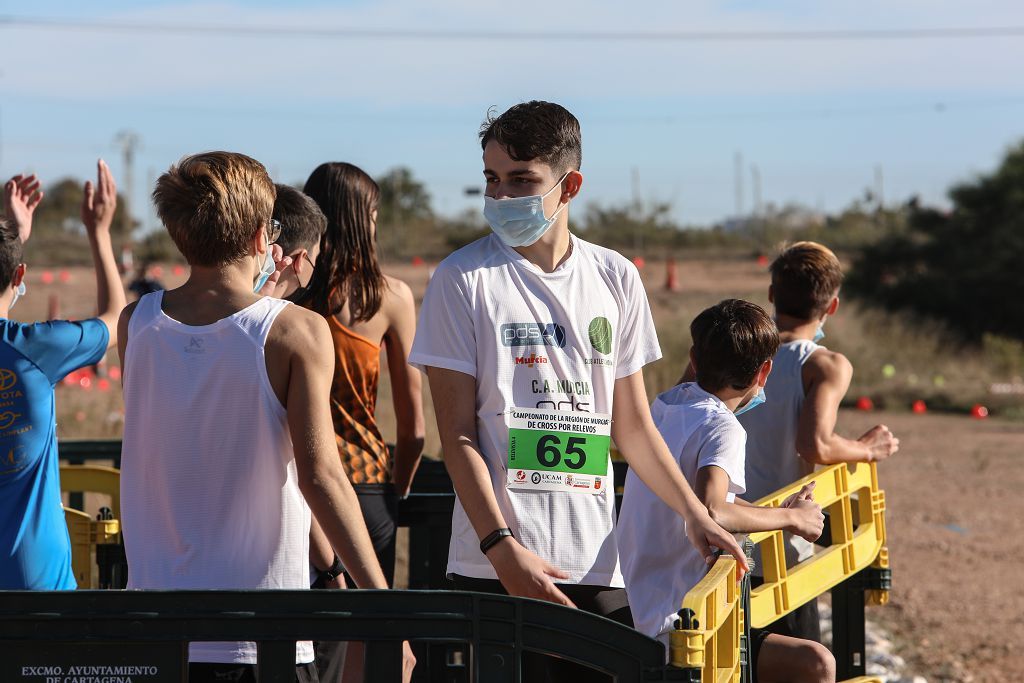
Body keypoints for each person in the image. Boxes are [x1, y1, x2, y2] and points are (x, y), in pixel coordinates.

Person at [408, 101, 746, 681]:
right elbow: (458, 435)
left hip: (595, 566)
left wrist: (696, 515)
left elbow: (633, 427)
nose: (501, 195)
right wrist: (502, 548)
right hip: (496, 565)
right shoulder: (461, 279)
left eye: (521, 180)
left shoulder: (615, 277)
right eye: (492, 178)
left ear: (571, 186)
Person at [117, 152, 413, 683]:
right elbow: (320, 476)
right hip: (258, 637)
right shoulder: (293, 330)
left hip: (154, 630)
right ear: (262, 237)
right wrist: (381, 606)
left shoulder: (136, 321)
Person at [618, 299, 835, 683]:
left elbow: (699, 499)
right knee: (816, 664)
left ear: (694, 359)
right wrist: (793, 518)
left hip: (639, 614)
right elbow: (711, 510)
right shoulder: (723, 427)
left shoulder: (664, 407)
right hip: (680, 630)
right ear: (763, 372)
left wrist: (772, 512)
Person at [738, 241, 900, 643]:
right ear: (832, 307)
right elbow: (816, 445)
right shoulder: (823, 364)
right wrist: (869, 449)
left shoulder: (734, 350)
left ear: (773, 294)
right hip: (778, 550)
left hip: (716, 536)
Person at [0, 162, 126, 589]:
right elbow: (115, 319)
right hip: (32, 577)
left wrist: (14, 240)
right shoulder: (36, 348)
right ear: (19, 276)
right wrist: (99, 232)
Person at [299, 162, 425, 586]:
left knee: (294, 643)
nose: (375, 226)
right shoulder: (390, 297)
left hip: (296, 484)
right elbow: (413, 427)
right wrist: (397, 491)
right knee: (369, 636)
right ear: (356, 220)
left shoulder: (287, 295)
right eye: (372, 216)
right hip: (365, 484)